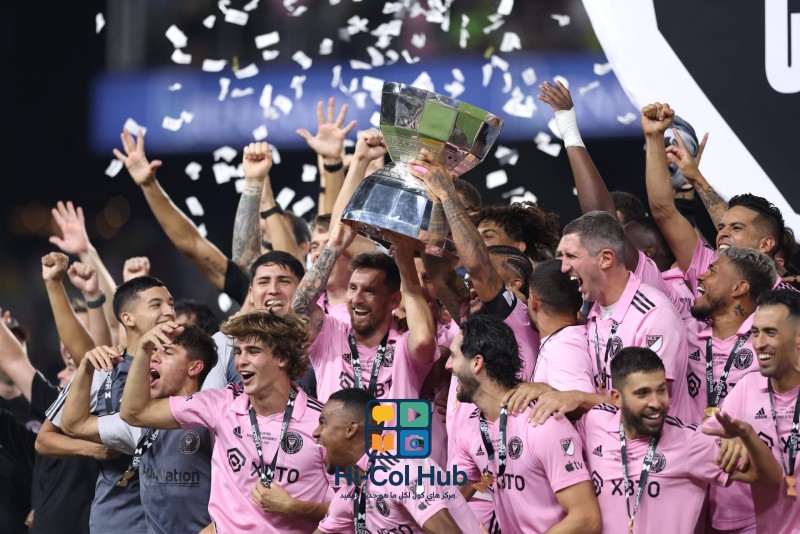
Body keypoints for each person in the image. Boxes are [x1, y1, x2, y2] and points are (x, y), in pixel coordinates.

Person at [120, 311, 333, 533]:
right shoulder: (220, 404)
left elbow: (349, 507)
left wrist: (294, 507)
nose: (241, 361)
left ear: (282, 358)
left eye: (253, 351)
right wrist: (143, 350)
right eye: (238, 352)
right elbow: (134, 412)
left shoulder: (323, 422)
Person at [577, 347, 781, 533]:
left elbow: (770, 478)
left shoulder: (692, 442)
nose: (656, 403)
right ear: (617, 398)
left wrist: (748, 436)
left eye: (661, 390)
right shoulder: (596, 423)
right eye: (643, 393)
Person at [40, 274, 177, 533]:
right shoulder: (101, 367)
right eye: (156, 305)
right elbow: (45, 439)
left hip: (175, 517)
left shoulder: (182, 366)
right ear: (128, 318)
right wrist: (90, 448)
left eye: (171, 304)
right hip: (119, 519)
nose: (169, 311)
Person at [448, 315, 601, 533]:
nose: (448, 365)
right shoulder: (471, 430)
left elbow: (587, 519)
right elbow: (448, 500)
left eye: (453, 356)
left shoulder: (543, 424)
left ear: (476, 363)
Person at [61, 324, 217, 534]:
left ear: (194, 367)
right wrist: (86, 370)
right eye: (153, 350)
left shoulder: (214, 419)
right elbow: (74, 424)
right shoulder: (140, 422)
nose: (154, 357)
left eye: (167, 352)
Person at [642, 102, 793, 294]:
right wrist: (654, 136)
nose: (722, 233)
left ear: (765, 245)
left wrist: (697, 179)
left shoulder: (786, 299)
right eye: (721, 227)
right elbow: (664, 210)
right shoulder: (707, 266)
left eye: (736, 228)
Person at [556, 211, 693, 421]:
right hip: (609, 437)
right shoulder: (594, 309)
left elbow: (647, 403)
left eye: (572, 256)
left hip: (654, 440)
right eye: (562, 256)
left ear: (605, 259)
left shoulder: (654, 314)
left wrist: (581, 399)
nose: (564, 267)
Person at [292, 223, 438, 403]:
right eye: (353, 288)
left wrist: (405, 259)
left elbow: (424, 340)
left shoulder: (404, 344)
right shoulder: (331, 334)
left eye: (369, 291)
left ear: (394, 301)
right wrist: (335, 245)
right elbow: (300, 307)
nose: (356, 299)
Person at [312, 388, 481, 534]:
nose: (315, 432)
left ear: (350, 429)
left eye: (323, 423)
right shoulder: (351, 492)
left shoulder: (401, 471)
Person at [703, 290, 800, 533]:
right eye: (755, 332)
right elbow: (707, 439)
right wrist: (728, 442)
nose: (759, 343)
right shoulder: (748, 387)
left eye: (771, 332)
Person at [202, 250, 306, 390]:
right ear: (251, 294)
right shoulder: (225, 341)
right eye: (264, 282)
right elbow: (210, 400)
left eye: (284, 281)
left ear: (302, 290)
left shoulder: (319, 340)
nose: (273, 290)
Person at [526, 259, 595, 393]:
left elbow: (579, 401)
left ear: (534, 302)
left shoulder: (563, 349)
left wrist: (545, 391)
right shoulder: (565, 340)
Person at [472, 201, 560, 263]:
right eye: (476, 237)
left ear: (518, 248)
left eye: (488, 236)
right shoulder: (468, 279)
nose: (477, 242)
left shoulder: (539, 282)